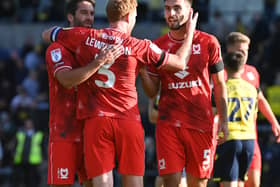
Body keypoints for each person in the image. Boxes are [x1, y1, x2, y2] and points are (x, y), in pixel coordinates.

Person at [42, 0, 198, 186]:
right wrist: (190, 33)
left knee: (101, 182)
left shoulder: (86, 36)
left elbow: (47, 33)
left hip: (97, 119)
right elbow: (180, 62)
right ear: (128, 16)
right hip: (128, 119)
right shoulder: (139, 46)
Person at [138, 0, 228, 186]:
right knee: (170, 181)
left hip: (201, 123)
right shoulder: (157, 46)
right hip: (168, 125)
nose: (171, 13)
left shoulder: (208, 42)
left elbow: (220, 84)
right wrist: (142, 72)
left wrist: (224, 120)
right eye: (167, 8)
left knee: (198, 183)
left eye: (177, 8)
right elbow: (152, 92)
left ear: (190, 11)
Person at [45, 0, 123, 187]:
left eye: (91, 13)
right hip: (65, 132)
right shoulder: (57, 49)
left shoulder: (94, 48)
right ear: (70, 17)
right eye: (83, 13)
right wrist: (98, 63)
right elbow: (66, 80)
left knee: (91, 183)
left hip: (91, 130)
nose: (89, 18)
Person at [225, 32, 280, 187]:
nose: (244, 54)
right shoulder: (220, 73)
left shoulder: (252, 72)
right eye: (240, 51)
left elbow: (260, 99)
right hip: (228, 138)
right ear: (230, 50)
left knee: (254, 183)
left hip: (250, 138)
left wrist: (274, 122)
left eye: (246, 50)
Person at [213, 51, 258, 187]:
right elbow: (254, 115)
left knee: (228, 183)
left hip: (229, 139)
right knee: (240, 183)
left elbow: (214, 112)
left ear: (225, 68)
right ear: (242, 67)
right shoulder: (252, 89)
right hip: (249, 140)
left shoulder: (222, 88)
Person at [148, 95, 187, 187]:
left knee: (179, 176)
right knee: (167, 175)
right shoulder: (162, 88)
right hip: (167, 136)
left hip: (186, 135)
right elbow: (152, 116)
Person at [13, 117, 44, 187]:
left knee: (33, 178)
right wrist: (14, 154)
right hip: (21, 159)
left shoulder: (39, 134)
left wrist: (43, 157)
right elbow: (15, 145)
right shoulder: (20, 133)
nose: (28, 125)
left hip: (34, 160)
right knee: (23, 179)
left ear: (33, 124)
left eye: (29, 124)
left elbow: (42, 147)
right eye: (26, 124)